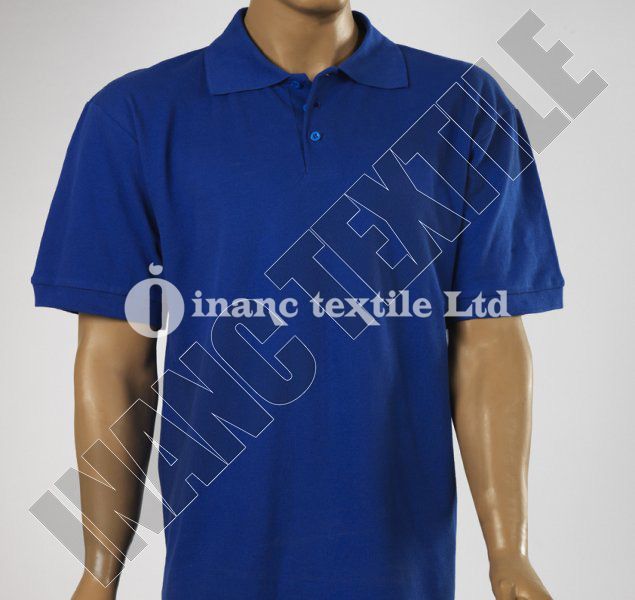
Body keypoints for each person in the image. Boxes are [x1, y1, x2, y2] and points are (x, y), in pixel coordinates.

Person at [32, 1, 563, 599]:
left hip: (399, 570)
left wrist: (509, 553)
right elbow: (115, 361)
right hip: (217, 565)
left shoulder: (464, 105)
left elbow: (489, 340)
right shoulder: (136, 115)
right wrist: (99, 570)